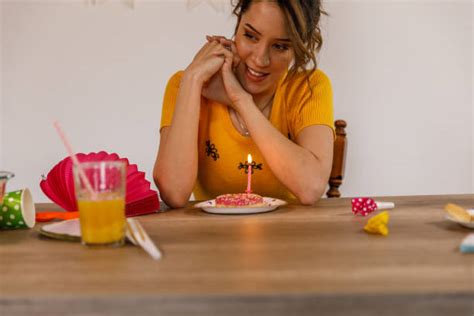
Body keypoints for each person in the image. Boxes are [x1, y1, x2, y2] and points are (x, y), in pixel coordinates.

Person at [154, 0, 334, 208]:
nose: (260, 59)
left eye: (280, 46)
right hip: (210, 235)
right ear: (238, 24)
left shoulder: (308, 87)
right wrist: (192, 79)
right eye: (250, 36)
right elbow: (173, 193)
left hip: (288, 236)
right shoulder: (188, 85)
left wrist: (240, 100)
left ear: (298, 49)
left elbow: (310, 188)